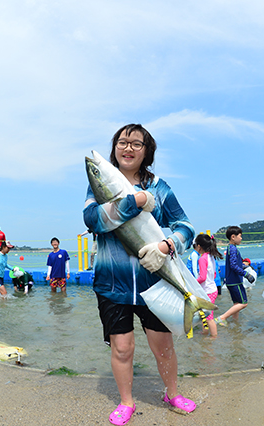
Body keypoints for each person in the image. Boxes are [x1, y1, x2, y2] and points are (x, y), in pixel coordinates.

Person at [83, 124, 196, 425]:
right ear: (114, 149)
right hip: (110, 283)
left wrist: (167, 244)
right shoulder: (101, 184)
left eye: (136, 143)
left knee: (163, 346)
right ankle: (126, 402)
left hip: (155, 282)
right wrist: (136, 201)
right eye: (122, 142)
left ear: (147, 151)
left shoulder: (161, 187)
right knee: (122, 348)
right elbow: (93, 219)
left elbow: (186, 227)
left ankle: (171, 393)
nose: (128, 148)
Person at [215, 226, 249, 326]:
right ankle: (222, 318)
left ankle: (235, 325)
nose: (241, 238)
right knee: (243, 303)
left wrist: (243, 266)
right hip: (235, 281)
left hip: (231, 281)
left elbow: (233, 264)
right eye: (240, 236)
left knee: (236, 304)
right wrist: (246, 274)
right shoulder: (233, 249)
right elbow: (233, 265)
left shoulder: (230, 248)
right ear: (233, 237)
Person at [193, 234, 222, 337]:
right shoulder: (211, 257)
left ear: (199, 246)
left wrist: (193, 282)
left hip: (208, 291)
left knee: (209, 317)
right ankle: (205, 332)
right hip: (212, 289)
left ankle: (214, 336)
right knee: (204, 314)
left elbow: (203, 277)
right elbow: (213, 274)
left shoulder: (202, 259)